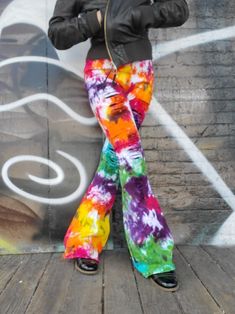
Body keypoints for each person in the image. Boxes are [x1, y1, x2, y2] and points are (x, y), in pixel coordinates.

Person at [48, 0, 189, 291]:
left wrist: (137, 15)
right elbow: (58, 33)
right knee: (131, 158)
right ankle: (154, 253)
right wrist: (97, 20)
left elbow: (178, 9)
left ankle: (84, 240)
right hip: (102, 74)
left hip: (140, 74)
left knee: (115, 161)